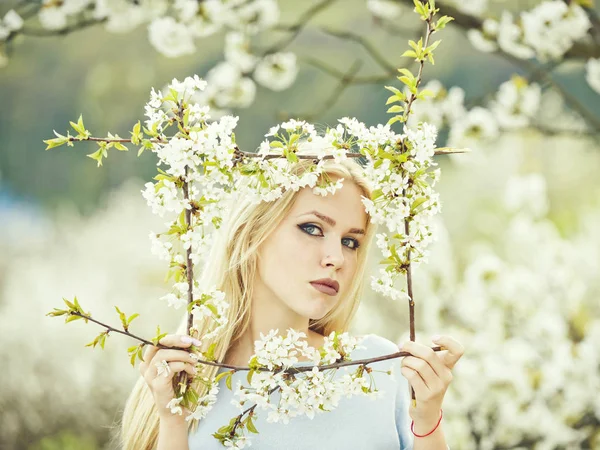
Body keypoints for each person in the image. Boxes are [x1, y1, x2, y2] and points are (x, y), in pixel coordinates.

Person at [117, 155, 464, 450]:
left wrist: (429, 416)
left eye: (350, 242)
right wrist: (173, 421)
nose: (336, 258)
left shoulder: (376, 370)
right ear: (252, 232)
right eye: (312, 228)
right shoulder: (190, 381)